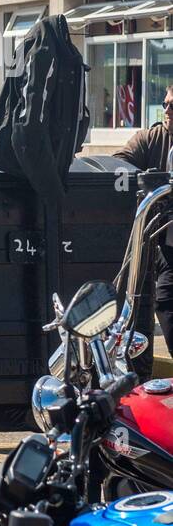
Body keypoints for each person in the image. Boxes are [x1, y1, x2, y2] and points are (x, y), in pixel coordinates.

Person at [116, 85, 173, 357]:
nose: (167, 110)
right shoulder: (153, 138)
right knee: (166, 299)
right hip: (164, 243)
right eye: (165, 104)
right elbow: (117, 166)